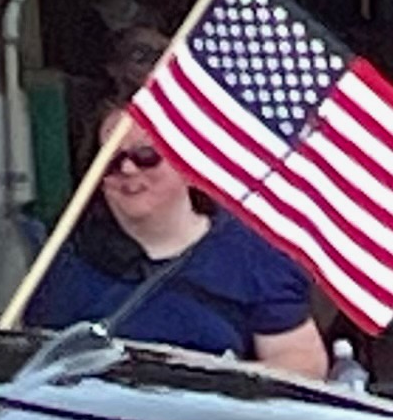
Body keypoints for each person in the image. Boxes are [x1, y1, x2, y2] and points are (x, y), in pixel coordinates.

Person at [22, 109, 325, 376]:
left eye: (147, 156)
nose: (128, 170)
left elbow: (301, 367)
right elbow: (41, 370)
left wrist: (214, 376)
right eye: (112, 160)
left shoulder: (256, 255)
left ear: (188, 166)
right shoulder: (65, 262)